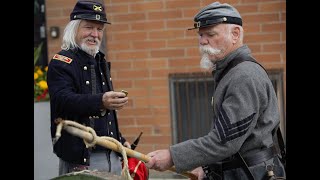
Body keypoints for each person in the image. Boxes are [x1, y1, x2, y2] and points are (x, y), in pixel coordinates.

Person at [145, 2, 286, 180]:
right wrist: (207, 167)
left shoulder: (244, 76)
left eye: (210, 34)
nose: (203, 41)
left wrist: (173, 156)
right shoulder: (231, 72)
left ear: (235, 34)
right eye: (201, 35)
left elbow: (225, 141)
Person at [47, 0, 131, 176]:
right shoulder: (62, 61)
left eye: (99, 29)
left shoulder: (99, 60)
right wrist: (101, 101)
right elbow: (63, 100)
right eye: (89, 27)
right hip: (82, 159)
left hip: (112, 156)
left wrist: (120, 140)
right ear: (74, 28)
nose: (95, 34)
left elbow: (103, 117)